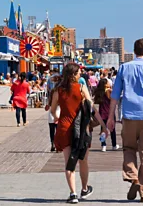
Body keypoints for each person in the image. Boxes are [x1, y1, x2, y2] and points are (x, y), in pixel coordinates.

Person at [51, 63, 108, 204]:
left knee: (69, 162)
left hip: (64, 127)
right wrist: (103, 125)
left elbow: (52, 111)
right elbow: (92, 109)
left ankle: (73, 194)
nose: (79, 75)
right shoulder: (81, 88)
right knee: (83, 160)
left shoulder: (58, 90)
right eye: (77, 73)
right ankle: (84, 189)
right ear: (73, 75)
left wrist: (58, 117)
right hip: (82, 129)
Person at [107, 38, 143, 202]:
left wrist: (111, 116)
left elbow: (115, 95)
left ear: (135, 50)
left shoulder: (124, 68)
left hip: (129, 114)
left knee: (129, 148)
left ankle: (133, 177)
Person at [93, 78, 118, 152]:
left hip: (102, 112)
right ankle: (114, 145)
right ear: (105, 84)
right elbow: (114, 98)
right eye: (108, 82)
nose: (109, 83)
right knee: (112, 129)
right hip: (109, 112)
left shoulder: (99, 92)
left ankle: (103, 145)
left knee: (103, 129)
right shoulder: (108, 91)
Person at [45, 75, 61, 152]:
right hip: (60, 111)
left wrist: (48, 105)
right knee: (58, 130)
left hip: (52, 111)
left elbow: (49, 102)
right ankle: (57, 145)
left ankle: (53, 143)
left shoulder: (52, 91)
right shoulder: (62, 91)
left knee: (52, 130)